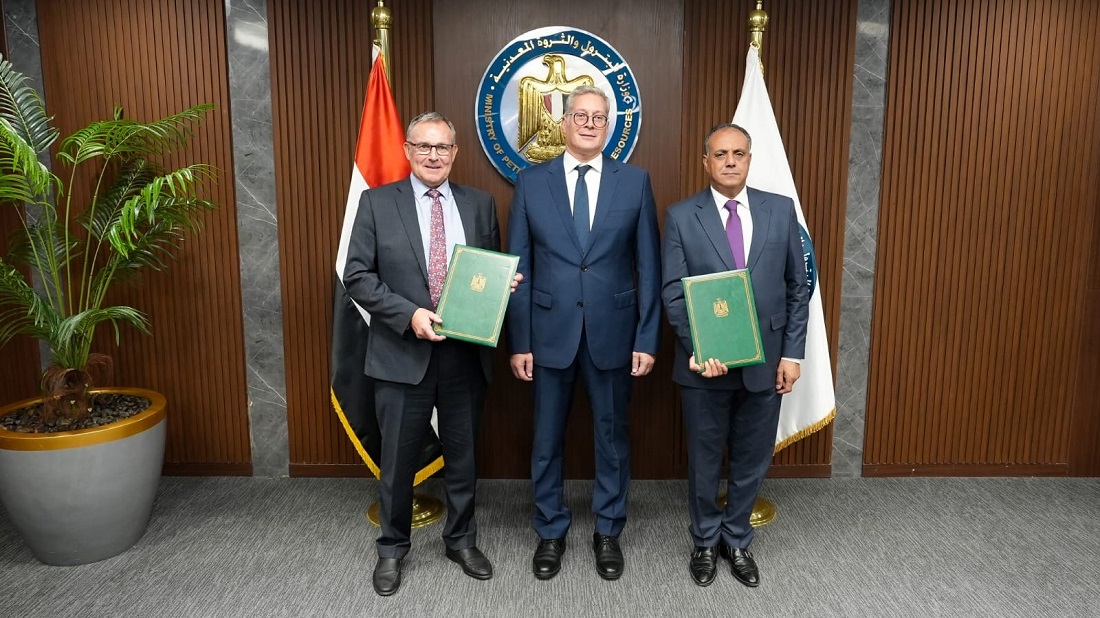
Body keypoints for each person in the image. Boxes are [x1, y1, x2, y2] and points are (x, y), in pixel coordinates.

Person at [343, 111, 507, 596]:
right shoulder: (377, 202)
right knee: (398, 461)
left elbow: (489, 270)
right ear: (408, 151)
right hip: (401, 353)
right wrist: (409, 314)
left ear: (455, 153)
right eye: (424, 146)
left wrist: (503, 286)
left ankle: (461, 540)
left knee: (464, 456)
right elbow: (357, 276)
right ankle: (392, 548)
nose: (433, 155)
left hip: (464, 355)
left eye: (442, 147)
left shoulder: (480, 204)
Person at [506, 85, 661, 581]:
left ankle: (608, 531)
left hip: (614, 333)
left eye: (599, 117)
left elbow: (649, 267)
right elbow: (518, 267)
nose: (590, 124)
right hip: (547, 334)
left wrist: (647, 337)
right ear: (564, 122)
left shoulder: (634, 182)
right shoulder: (531, 182)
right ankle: (550, 530)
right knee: (546, 439)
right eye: (581, 115)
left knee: (612, 438)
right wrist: (520, 341)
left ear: (608, 126)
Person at [661, 123, 809, 588]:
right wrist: (700, 348)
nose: (730, 161)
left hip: (768, 361)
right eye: (721, 154)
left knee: (751, 457)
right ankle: (705, 541)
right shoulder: (681, 216)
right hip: (705, 366)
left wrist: (793, 354)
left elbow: (797, 288)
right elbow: (673, 294)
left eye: (738, 153)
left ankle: (737, 538)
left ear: (749, 158)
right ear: (706, 161)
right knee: (704, 460)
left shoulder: (780, 210)